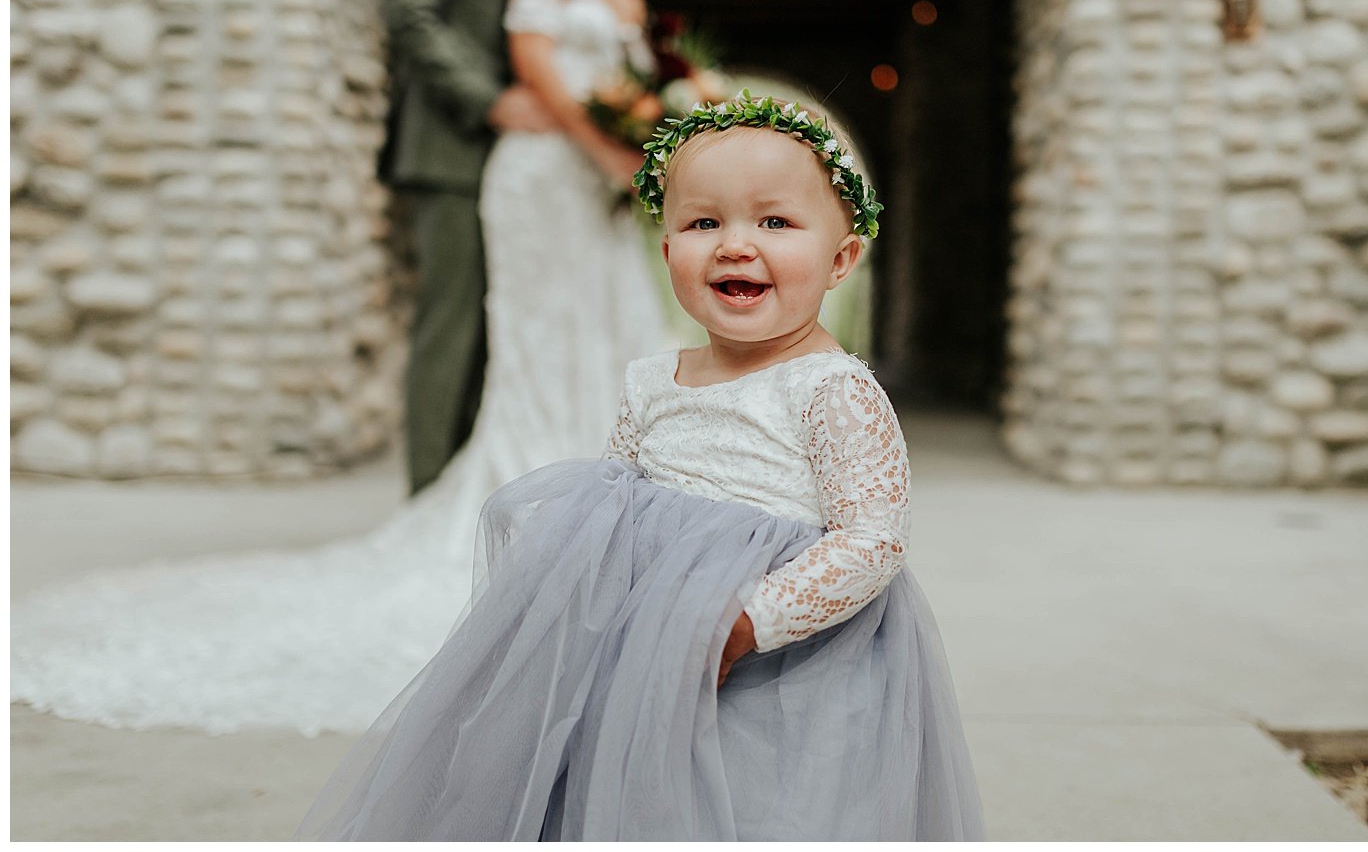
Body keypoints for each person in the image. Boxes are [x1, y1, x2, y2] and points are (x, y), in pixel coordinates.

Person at [10, 0, 670, 738]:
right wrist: (497, 105)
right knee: (457, 331)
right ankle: (441, 506)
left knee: (532, 335)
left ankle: (561, 492)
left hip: (565, 174)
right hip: (477, 148)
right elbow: (415, 17)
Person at [295, 94, 985, 840]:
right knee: (625, 790)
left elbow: (873, 537)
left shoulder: (832, 388)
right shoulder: (652, 380)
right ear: (667, 254)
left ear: (841, 258)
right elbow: (613, 495)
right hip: (637, 643)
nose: (734, 245)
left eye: (775, 222)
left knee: (758, 799)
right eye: (703, 223)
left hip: (781, 656)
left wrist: (747, 619)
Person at [382, 0, 545, 496]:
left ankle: (462, 486)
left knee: (488, 326)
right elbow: (412, 17)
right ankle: (425, 494)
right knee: (450, 322)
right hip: (450, 149)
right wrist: (492, 100)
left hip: (507, 164)